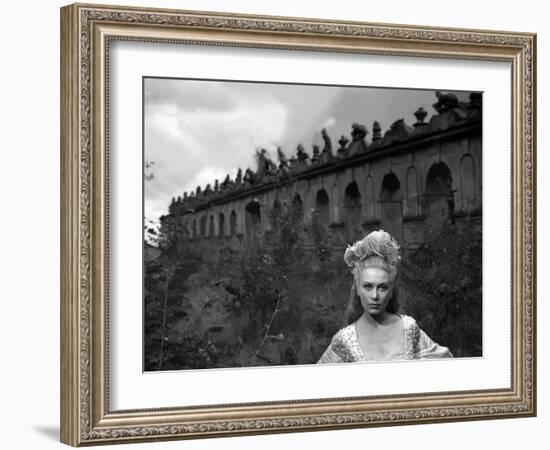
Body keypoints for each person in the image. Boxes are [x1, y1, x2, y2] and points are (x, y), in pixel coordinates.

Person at [318, 230, 452, 364]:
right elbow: (316, 380)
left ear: (391, 291)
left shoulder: (409, 329)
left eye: (382, 287)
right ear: (358, 289)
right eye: (368, 286)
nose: (375, 296)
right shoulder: (344, 341)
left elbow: (447, 365)